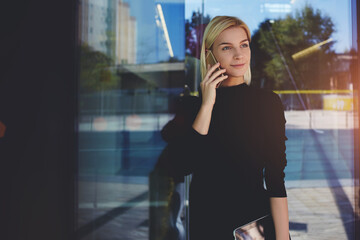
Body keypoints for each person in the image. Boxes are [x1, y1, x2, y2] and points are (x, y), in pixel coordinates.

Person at [168, 16, 290, 239]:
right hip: (207, 226)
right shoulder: (193, 106)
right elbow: (182, 166)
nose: (239, 55)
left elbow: (275, 179)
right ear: (209, 54)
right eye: (227, 48)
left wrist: (283, 237)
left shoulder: (267, 103)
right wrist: (207, 104)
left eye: (244, 45)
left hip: (252, 225)